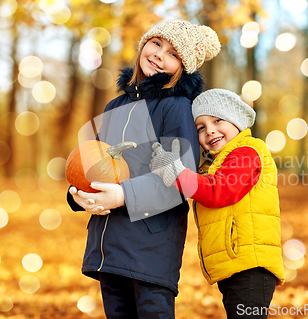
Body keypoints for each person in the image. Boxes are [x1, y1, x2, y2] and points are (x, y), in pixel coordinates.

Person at [66, 21, 221, 318]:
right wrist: (78, 195)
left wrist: (123, 195)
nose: (160, 55)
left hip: (151, 250)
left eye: (173, 54)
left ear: (182, 68)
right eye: (156, 44)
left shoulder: (176, 107)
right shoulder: (114, 106)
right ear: (143, 46)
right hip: (109, 248)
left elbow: (180, 180)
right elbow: (93, 163)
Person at [150, 89, 285, 319]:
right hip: (236, 265)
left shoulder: (247, 151)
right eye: (200, 127)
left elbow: (218, 191)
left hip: (250, 266)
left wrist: (176, 173)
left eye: (217, 120)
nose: (209, 130)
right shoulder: (219, 161)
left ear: (236, 121)